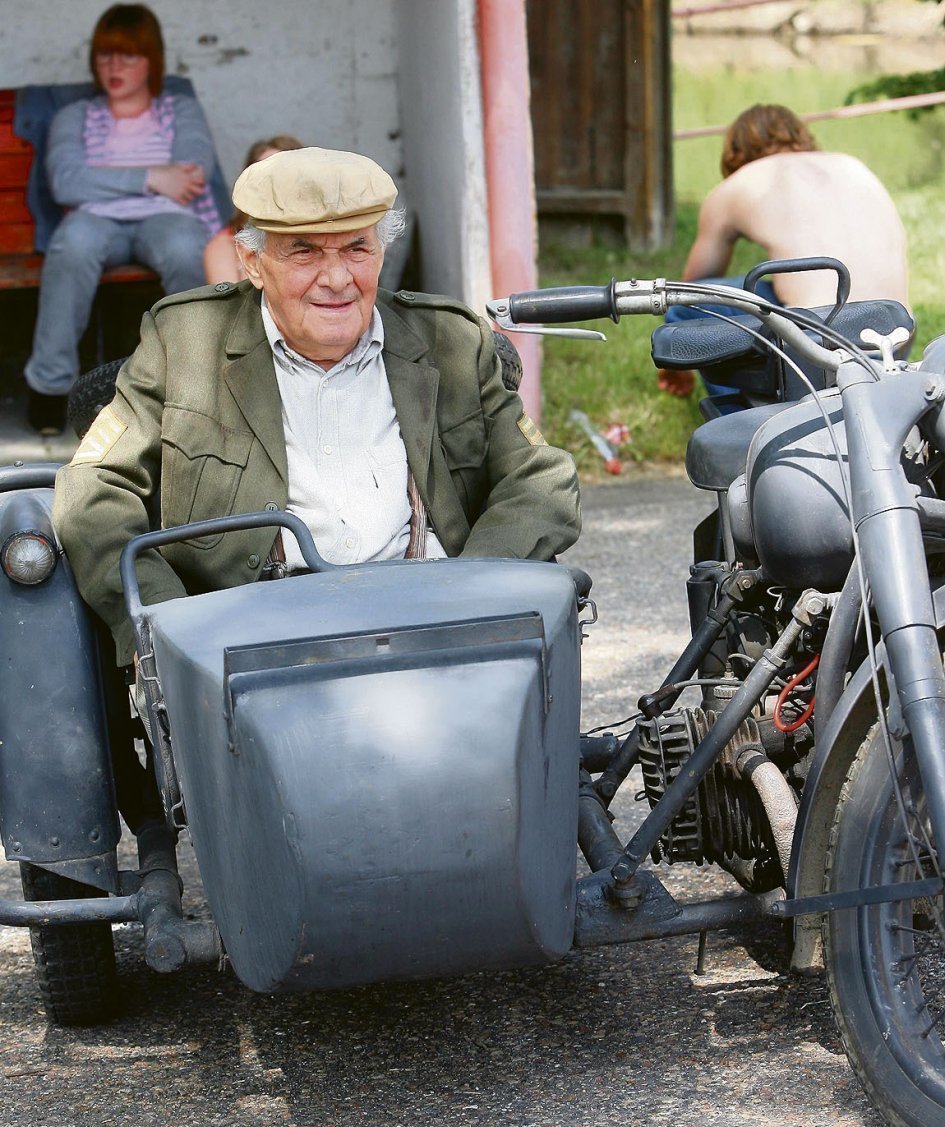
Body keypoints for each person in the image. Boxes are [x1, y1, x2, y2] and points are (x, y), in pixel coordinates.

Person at [52, 145, 581, 668]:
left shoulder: (450, 340)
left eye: (356, 249)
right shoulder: (185, 341)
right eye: (304, 252)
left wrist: (476, 594)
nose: (336, 279)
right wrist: (168, 630)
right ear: (253, 262)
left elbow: (540, 480)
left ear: (381, 252)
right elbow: (94, 493)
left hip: (432, 628)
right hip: (256, 648)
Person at [23, 3, 223, 435]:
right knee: (72, 245)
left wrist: (111, 179)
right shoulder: (74, 116)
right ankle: (49, 387)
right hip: (96, 221)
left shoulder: (179, 110)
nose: (114, 66)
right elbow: (66, 182)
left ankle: (200, 381)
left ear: (151, 60)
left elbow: (192, 173)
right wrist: (153, 175)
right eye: (105, 55)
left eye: (128, 55)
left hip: (166, 218)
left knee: (187, 246)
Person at [657, 103, 910, 399]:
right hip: (894, 334)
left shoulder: (738, 183)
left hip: (816, 343)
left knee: (685, 306)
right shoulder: (853, 165)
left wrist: (674, 362)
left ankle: (744, 425)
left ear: (735, 151)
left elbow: (690, 290)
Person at [203, 133, 304, 285]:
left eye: (284, 173)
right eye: (264, 174)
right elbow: (229, 307)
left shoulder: (329, 237)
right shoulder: (226, 245)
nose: (274, 183)